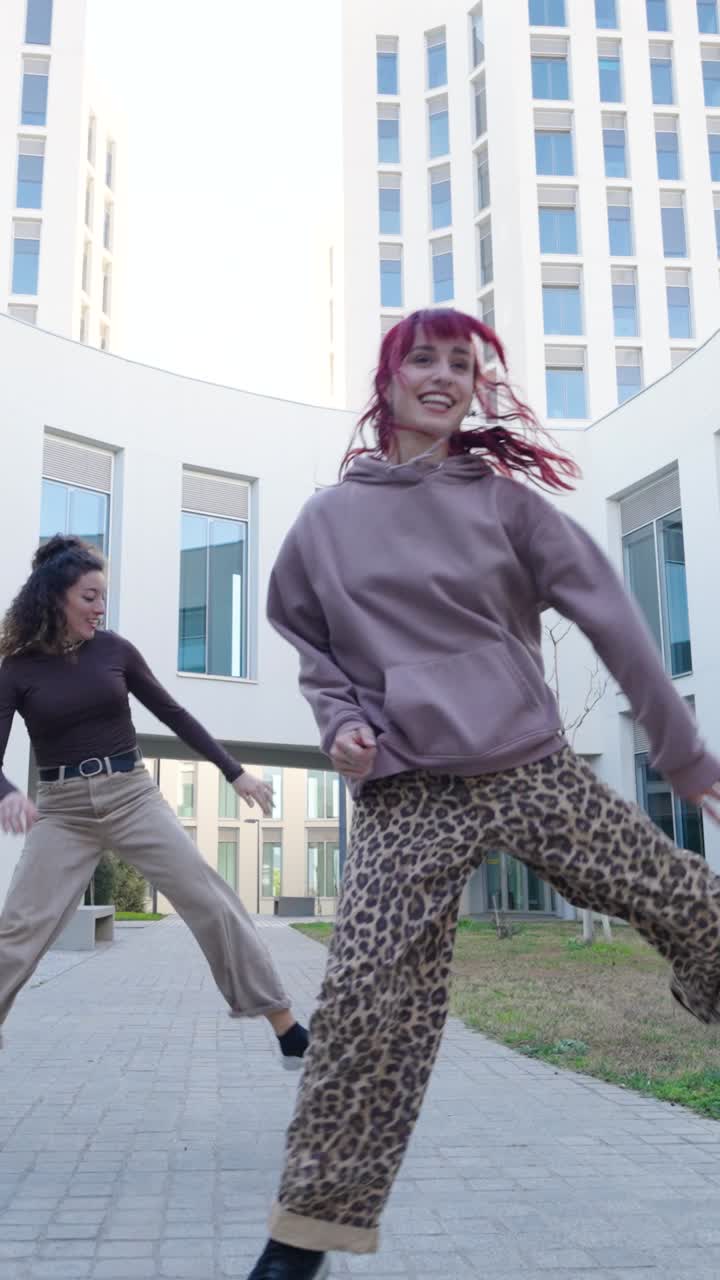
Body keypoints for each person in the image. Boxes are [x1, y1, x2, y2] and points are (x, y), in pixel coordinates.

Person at [246, 307, 720, 1279]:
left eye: (463, 365)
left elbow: (615, 615)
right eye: (425, 358)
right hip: (408, 792)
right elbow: (314, 647)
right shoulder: (325, 523)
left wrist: (681, 752)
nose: (446, 375)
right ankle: (304, 1241)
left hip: (528, 765)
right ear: (386, 380)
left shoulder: (506, 505)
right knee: (367, 1006)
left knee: (685, 899)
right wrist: (340, 722)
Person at [0, 534, 309, 1069]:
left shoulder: (115, 651)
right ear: (56, 597)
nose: (101, 608)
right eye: (89, 597)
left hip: (132, 797)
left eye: (103, 597)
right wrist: (8, 794)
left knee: (211, 901)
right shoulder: (17, 668)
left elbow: (174, 714)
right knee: (20, 928)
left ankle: (285, 1027)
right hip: (63, 810)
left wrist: (235, 773)